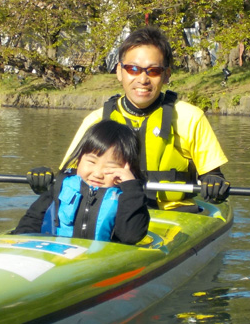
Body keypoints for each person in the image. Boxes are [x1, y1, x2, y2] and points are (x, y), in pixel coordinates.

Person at [60, 26, 230, 212]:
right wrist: (43, 181)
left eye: (154, 71)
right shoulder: (96, 120)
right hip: (109, 211)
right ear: (119, 71)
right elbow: (67, 175)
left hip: (172, 213)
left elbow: (212, 175)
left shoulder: (189, 117)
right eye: (133, 69)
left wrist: (214, 182)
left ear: (166, 75)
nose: (143, 79)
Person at [13, 120, 149, 245]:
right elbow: (30, 222)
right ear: (79, 159)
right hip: (56, 256)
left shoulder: (128, 198)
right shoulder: (60, 187)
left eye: (110, 167)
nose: (97, 174)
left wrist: (131, 187)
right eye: (91, 162)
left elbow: (131, 236)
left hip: (100, 262)